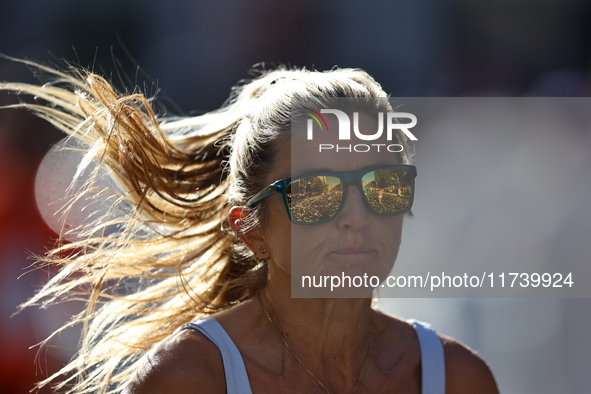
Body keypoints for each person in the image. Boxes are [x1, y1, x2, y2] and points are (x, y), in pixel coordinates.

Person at [1, 58, 499, 394]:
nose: (356, 215)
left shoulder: (455, 378)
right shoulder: (190, 378)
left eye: (383, 185)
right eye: (315, 192)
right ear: (249, 229)